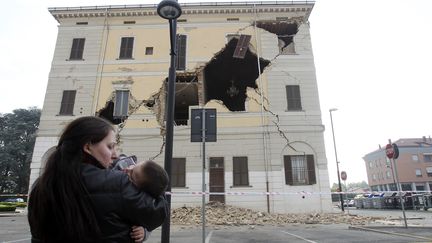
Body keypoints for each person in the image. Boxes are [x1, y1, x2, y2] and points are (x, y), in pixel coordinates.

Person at [28, 116, 168, 243]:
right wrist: (155, 184)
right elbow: (158, 213)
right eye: (110, 147)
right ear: (88, 147)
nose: (115, 155)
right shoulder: (118, 184)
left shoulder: (39, 187)